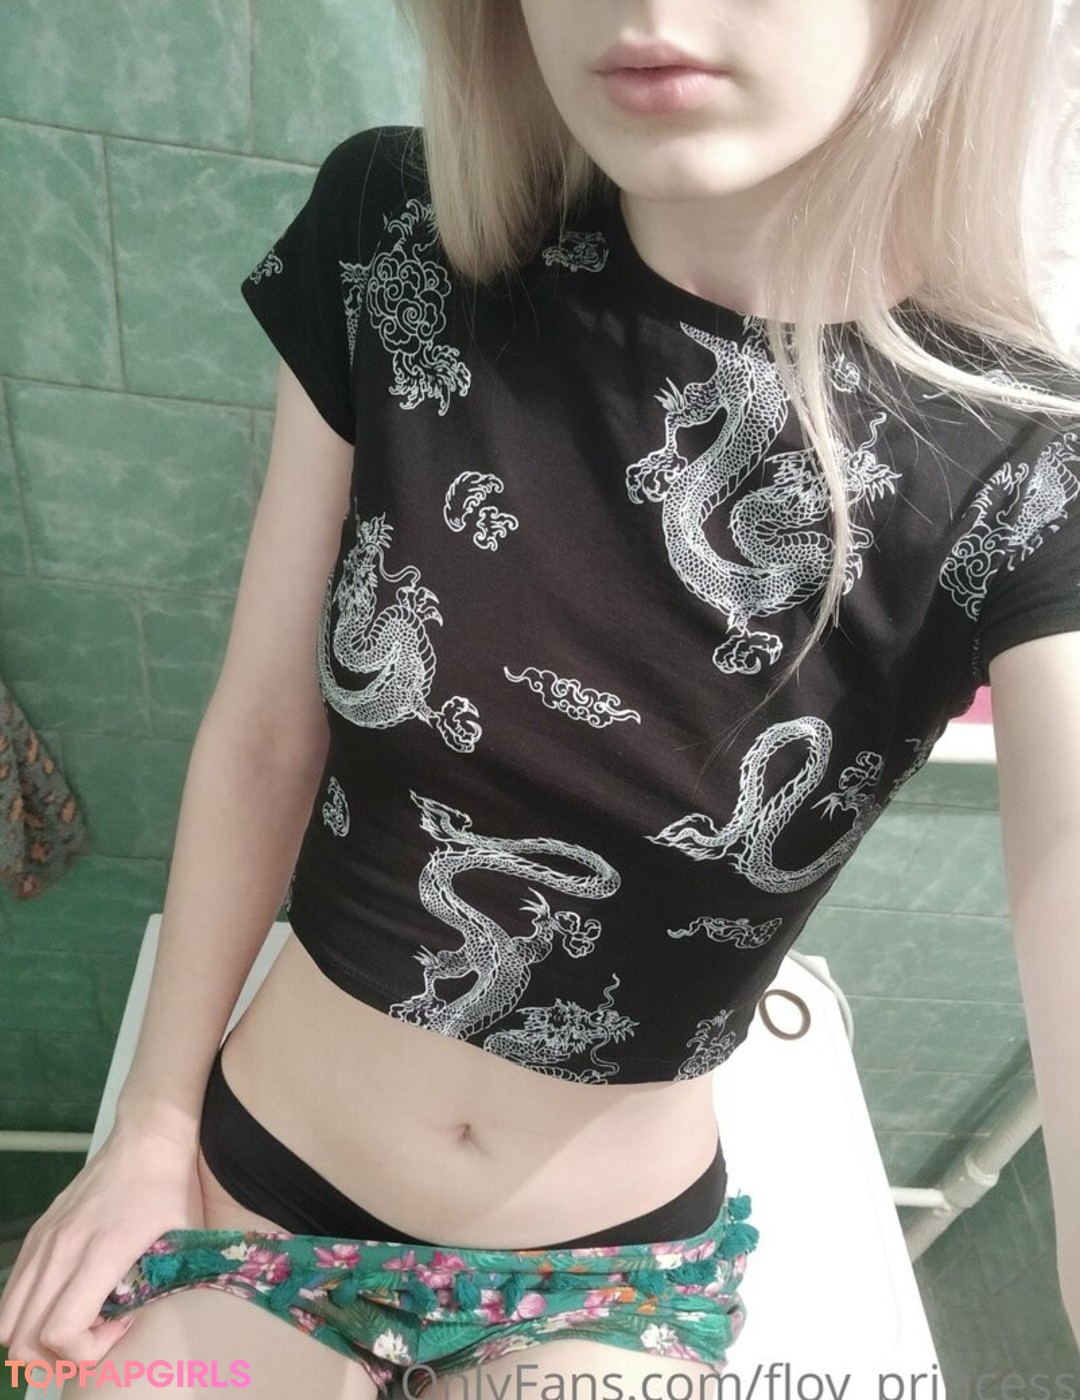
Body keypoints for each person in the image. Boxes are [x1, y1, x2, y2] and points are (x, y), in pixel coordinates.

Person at [3, 0, 1080, 1394]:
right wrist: (150, 1126)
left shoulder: (1026, 469)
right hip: (258, 1182)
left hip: (606, 1272)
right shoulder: (398, 236)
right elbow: (266, 729)